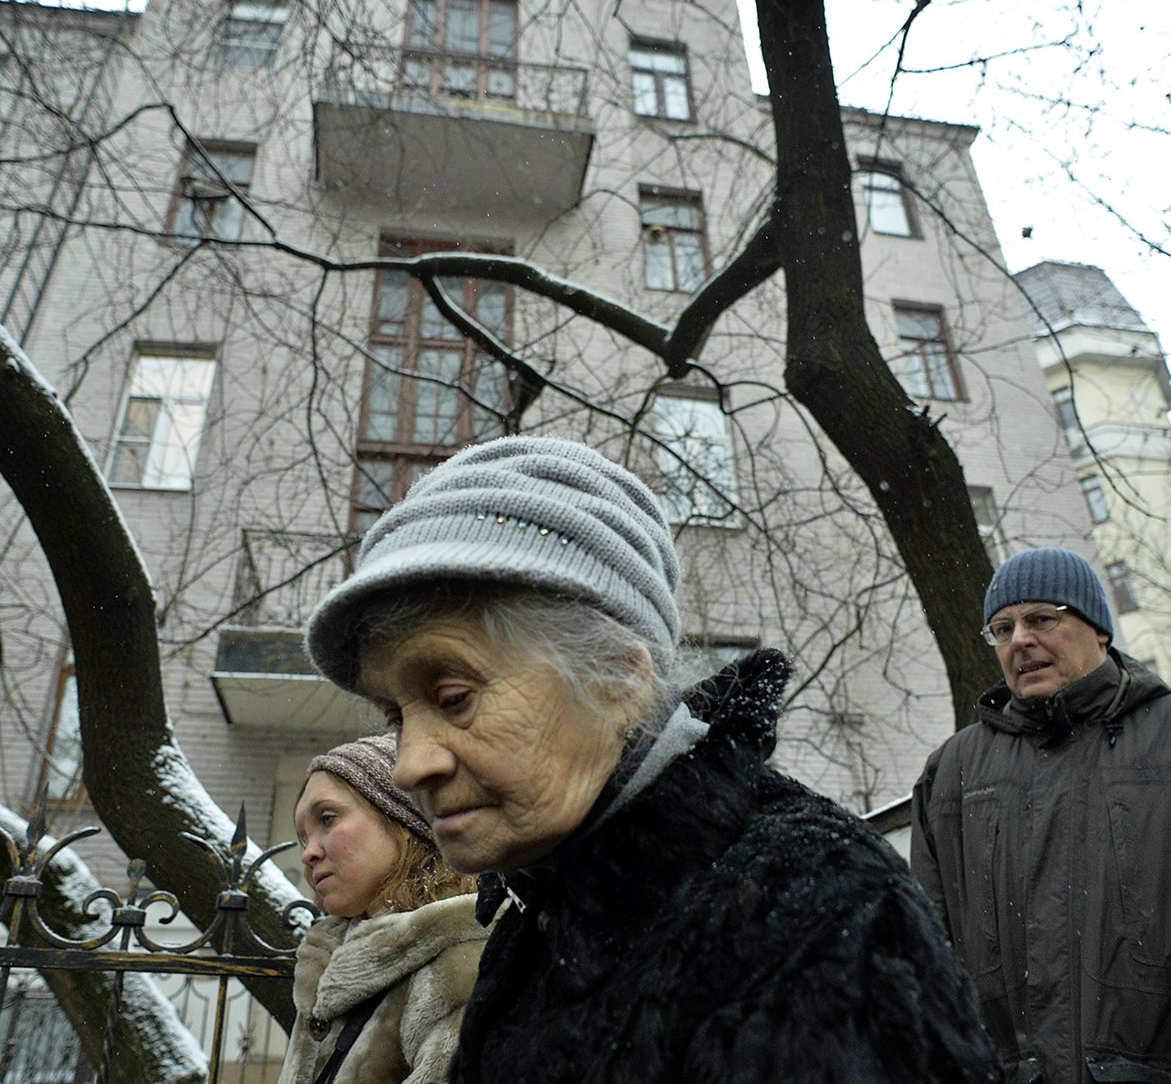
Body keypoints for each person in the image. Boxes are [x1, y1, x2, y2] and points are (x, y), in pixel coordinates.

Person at [304, 435, 1000, 1084]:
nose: (408, 766)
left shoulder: (811, 908)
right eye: (395, 716)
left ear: (616, 677)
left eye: (454, 696)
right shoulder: (540, 905)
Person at [911, 547, 1171, 1084]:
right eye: (1002, 629)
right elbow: (925, 954)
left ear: (1098, 627)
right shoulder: (954, 772)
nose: (1020, 640)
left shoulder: (1165, 738)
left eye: (1041, 619)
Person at [277, 733, 487, 1084]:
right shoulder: (330, 962)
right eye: (303, 836)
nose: (308, 852)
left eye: (327, 819)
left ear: (404, 820)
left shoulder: (459, 964)